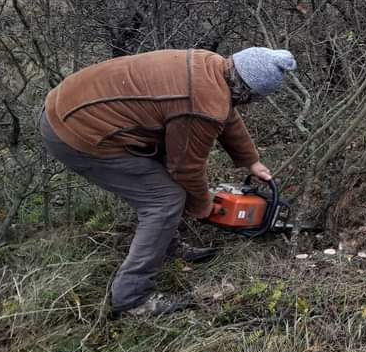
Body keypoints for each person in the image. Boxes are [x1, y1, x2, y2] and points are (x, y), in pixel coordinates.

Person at [38, 47, 297, 317]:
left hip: (66, 106)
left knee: (164, 184)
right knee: (165, 200)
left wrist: (250, 160)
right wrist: (202, 206)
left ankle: (167, 247)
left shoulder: (211, 66)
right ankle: (131, 297)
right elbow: (186, 168)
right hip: (77, 133)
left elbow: (225, 112)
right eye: (254, 98)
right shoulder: (200, 102)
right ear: (246, 91)